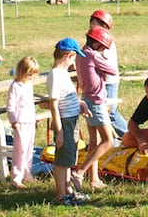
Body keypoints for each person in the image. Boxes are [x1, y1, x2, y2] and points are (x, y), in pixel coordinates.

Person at [71, 26, 117, 191]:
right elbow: (113, 70)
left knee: (94, 141)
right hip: (96, 102)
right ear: (97, 44)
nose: (105, 50)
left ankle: (94, 179)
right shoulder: (93, 55)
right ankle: (80, 173)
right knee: (108, 141)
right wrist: (102, 59)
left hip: (87, 99)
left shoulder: (82, 52)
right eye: (104, 46)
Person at [47, 38, 91, 206]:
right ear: (67, 55)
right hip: (64, 123)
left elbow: (66, 97)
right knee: (62, 161)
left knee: (68, 160)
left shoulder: (62, 74)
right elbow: (54, 104)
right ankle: (60, 194)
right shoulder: (56, 75)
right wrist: (59, 132)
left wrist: (80, 103)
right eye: (73, 58)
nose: (74, 62)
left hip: (71, 120)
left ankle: (68, 191)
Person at [88, 10, 128, 140]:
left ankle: (129, 136)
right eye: (91, 23)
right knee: (104, 114)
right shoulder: (96, 38)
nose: (91, 26)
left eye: (94, 23)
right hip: (102, 81)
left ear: (103, 26)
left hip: (109, 81)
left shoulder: (105, 41)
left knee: (110, 113)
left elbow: (103, 63)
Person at [7, 56, 40, 188]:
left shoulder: (29, 85)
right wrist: (14, 120)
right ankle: (16, 177)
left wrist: (34, 118)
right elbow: (11, 106)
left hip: (29, 120)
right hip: (20, 121)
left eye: (33, 74)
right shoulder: (15, 86)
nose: (31, 76)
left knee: (29, 148)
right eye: (29, 73)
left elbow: (30, 104)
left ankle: (27, 173)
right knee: (20, 150)